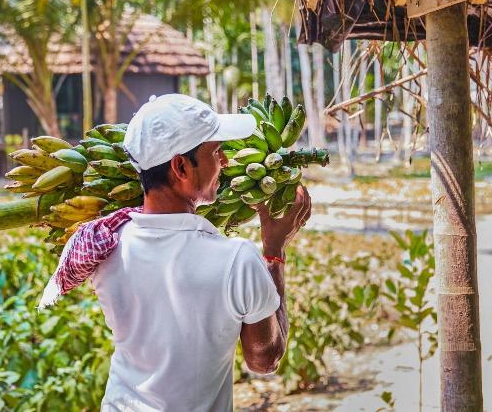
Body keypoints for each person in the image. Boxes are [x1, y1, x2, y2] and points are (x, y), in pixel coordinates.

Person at [39, 94, 312, 411]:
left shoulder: (108, 247)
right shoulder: (237, 259)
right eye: (215, 152)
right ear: (181, 166)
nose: (224, 162)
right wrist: (274, 253)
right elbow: (265, 359)